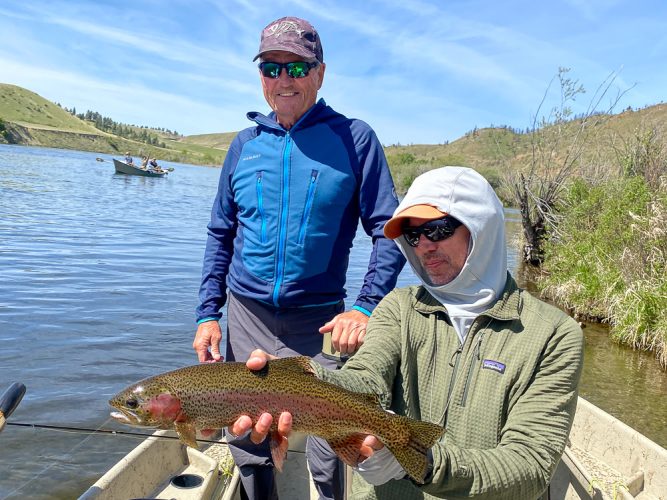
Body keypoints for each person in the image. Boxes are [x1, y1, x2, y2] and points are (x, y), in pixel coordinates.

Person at [232, 166, 585, 499]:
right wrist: (301, 378)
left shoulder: (554, 335)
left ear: (481, 226)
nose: (424, 246)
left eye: (438, 229)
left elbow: (532, 465)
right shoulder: (398, 307)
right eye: (413, 235)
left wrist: (424, 463)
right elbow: (364, 378)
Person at [193, 15, 405, 500]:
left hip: (322, 322)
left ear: (320, 73)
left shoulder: (355, 140)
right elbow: (220, 233)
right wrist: (208, 314)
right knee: (246, 436)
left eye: (296, 67)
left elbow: (388, 231)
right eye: (271, 68)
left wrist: (367, 307)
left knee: (331, 442)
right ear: (260, 76)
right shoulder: (244, 146)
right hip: (246, 315)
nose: (283, 80)